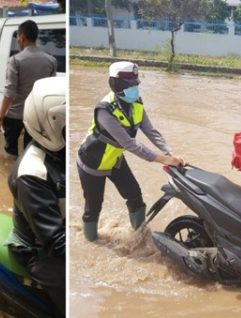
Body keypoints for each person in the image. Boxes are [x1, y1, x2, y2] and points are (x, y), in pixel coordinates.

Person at [77, 61, 186, 242]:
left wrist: (169, 152)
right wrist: (164, 161)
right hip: (92, 162)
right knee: (93, 208)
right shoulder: (105, 110)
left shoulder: (136, 103)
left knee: (135, 195)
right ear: (117, 85)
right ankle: (92, 243)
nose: (135, 88)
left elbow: (151, 131)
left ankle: (139, 238)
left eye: (136, 84)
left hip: (115, 159)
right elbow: (130, 144)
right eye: (130, 86)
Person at [6, 76, 66, 316]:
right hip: (39, 251)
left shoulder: (61, 154)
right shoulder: (32, 173)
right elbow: (55, 241)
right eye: (66, 124)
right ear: (46, 124)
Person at [0, 20, 57, 157]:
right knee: (32, 151)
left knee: (10, 151)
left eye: (17, 37)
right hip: (37, 115)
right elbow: (51, 90)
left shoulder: (15, 60)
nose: (17, 40)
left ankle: (9, 173)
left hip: (15, 115)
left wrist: (0, 118)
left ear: (21, 37)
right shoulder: (51, 60)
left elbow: (10, 92)